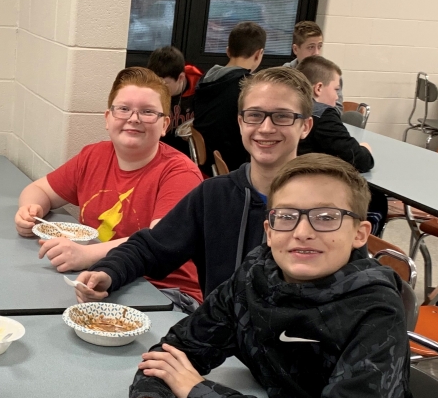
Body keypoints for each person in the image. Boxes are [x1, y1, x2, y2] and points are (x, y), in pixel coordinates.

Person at [109, 153, 428, 398]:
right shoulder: (255, 277)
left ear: (359, 233)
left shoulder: (375, 311)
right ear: (269, 229)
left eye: (326, 217)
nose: (302, 231)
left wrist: (197, 392)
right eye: (286, 216)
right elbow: (175, 353)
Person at [75, 66, 313, 303]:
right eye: (254, 115)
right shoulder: (213, 195)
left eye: (282, 116)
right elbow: (152, 247)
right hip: (217, 335)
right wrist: (108, 273)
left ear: (305, 126)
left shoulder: (326, 205)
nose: (266, 128)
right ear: (241, 122)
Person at [14, 67, 205, 309]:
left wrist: (85, 255)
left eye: (147, 112)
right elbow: (38, 191)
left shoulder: (179, 173)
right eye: (123, 109)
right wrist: (30, 211)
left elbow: (158, 242)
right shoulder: (93, 156)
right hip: (104, 277)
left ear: (165, 124)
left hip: (165, 293)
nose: (133, 119)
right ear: (108, 118)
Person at [193, 21, 265, 175]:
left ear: (228, 51)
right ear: (259, 54)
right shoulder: (247, 88)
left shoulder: (205, 80)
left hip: (209, 165)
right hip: (235, 166)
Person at [297, 56, 373, 172]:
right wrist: (365, 149)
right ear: (318, 88)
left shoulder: (288, 108)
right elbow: (361, 160)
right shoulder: (324, 116)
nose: (337, 97)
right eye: (336, 89)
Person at [146, 46, 203, 159]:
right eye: (155, 82)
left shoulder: (201, 91)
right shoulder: (148, 88)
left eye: (165, 84)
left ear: (181, 77)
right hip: (157, 151)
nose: (159, 88)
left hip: (188, 154)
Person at [283, 20, 344, 113]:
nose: (316, 53)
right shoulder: (285, 73)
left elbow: (337, 110)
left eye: (319, 46)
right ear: (295, 49)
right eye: (311, 47)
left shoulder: (331, 75)